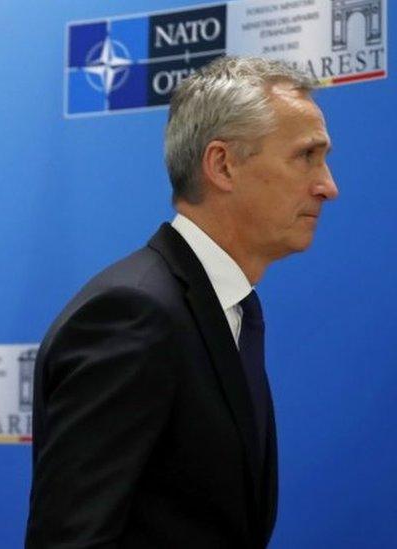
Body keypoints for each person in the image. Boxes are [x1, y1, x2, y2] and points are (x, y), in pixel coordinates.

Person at [26, 56, 339, 548]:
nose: (328, 186)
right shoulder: (134, 315)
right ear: (222, 165)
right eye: (306, 156)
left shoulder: (226, 309)